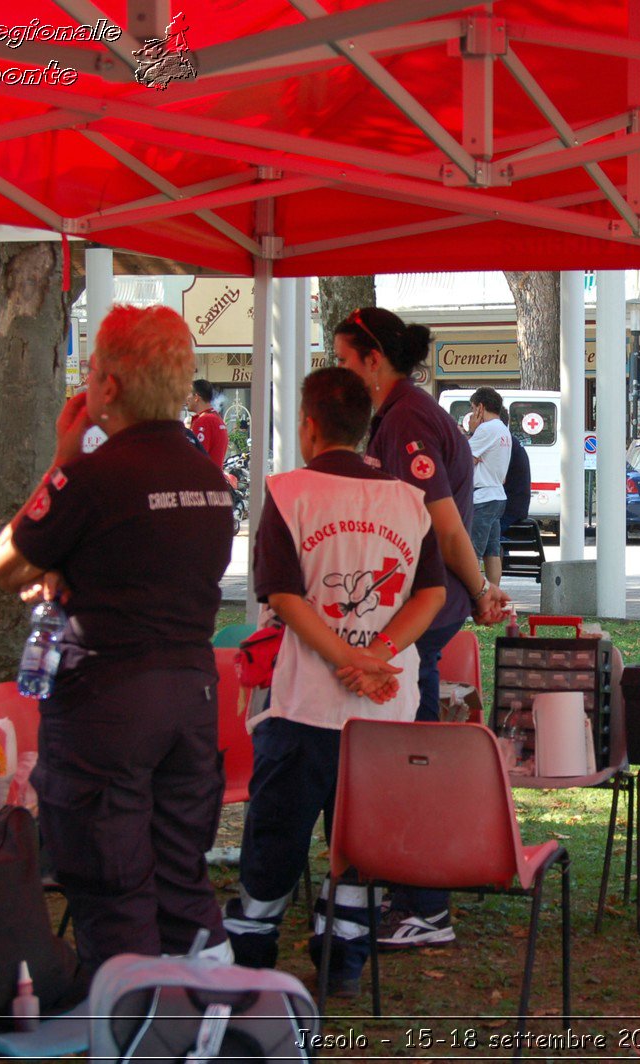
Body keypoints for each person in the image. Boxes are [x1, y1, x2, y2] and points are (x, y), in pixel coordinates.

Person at [0, 304, 236, 972]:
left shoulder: (92, 478)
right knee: (182, 877)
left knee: (112, 885)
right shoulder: (212, 483)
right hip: (191, 694)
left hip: (106, 702)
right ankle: (215, 1020)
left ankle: (134, 1035)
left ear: (107, 385)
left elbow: (7, 562)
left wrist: (62, 460)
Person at [222, 367, 446, 998]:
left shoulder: (287, 493)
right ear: (368, 429)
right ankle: (343, 957)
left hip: (304, 705)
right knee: (362, 837)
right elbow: (430, 591)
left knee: (276, 834)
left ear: (308, 425)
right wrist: (376, 653)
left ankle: (252, 951)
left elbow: (285, 599)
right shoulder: (407, 498)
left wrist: (346, 658)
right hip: (386, 706)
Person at [332, 306, 508, 950]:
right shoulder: (404, 415)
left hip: (421, 615)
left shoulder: (405, 419)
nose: (340, 374)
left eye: (345, 361)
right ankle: (399, 888)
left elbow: (444, 525)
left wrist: (484, 590)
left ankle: (423, 905)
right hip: (418, 612)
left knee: (408, 761)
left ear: (373, 360)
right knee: (406, 755)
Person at [466, 387, 512, 591]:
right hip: (497, 495)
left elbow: (464, 460)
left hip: (481, 498)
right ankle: (493, 597)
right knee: (492, 552)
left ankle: (474, 600)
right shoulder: (503, 429)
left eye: (472, 408)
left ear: (480, 408)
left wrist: (471, 432)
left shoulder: (486, 429)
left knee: (471, 552)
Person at [187, 379, 228, 468]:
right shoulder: (216, 418)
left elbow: (196, 458)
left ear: (196, 397)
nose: (187, 398)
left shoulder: (204, 420)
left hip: (204, 479)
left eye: (189, 393)